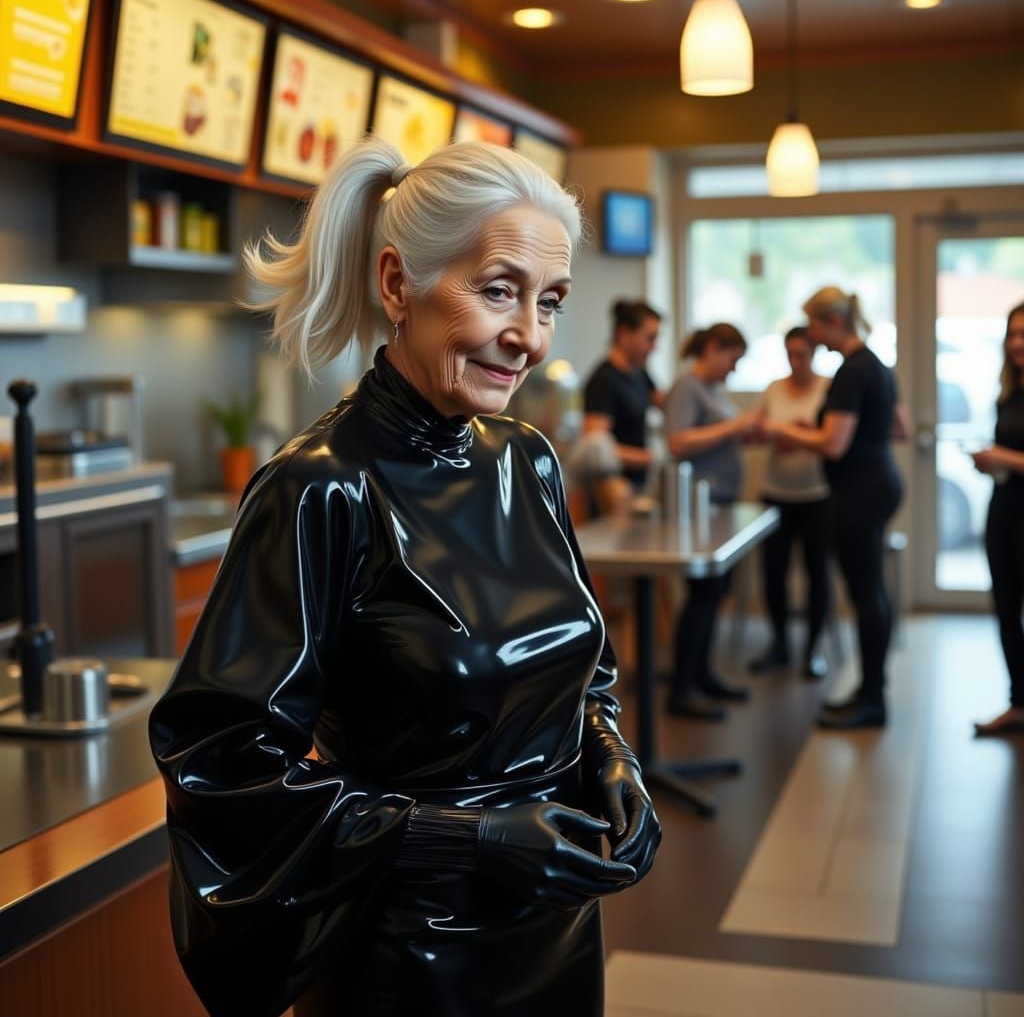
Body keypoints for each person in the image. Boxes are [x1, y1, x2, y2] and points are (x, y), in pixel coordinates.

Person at [148, 137, 660, 1017]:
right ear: (398, 285)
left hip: (561, 927)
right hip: (413, 956)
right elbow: (225, 765)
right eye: (499, 289)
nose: (529, 336)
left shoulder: (528, 460)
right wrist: (475, 838)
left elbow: (585, 674)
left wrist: (613, 758)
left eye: (550, 301)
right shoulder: (321, 486)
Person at [765, 287, 909, 730]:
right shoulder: (876, 364)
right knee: (870, 593)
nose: (809, 333)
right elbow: (888, 427)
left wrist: (781, 429)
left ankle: (871, 700)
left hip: (859, 490)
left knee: (866, 595)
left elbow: (834, 442)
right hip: (878, 480)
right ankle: (870, 692)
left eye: (811, 324)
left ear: (831, 322)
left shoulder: (850, 370)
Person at [663, 322, 761, 720]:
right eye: (732, 360)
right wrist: (737, 426)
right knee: (702, 595)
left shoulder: (714, 390)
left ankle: (702, 675)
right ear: (714, 349)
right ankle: (682, 687)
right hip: (702, 504)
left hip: (721, 501)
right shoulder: (686, 388)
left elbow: (716, 434)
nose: (733, 370)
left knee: (714, 593)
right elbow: (678, 441)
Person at [749, 326, 832, 680]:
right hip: (777, 493)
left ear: (815, 354)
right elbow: (756, 430)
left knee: (817, 574)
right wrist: (778, 434)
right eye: (791, 354)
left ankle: (813, 647)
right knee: (774, 573)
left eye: (803, 354)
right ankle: (780, 643)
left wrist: (800, 433)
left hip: (817, 495)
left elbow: (833, 437)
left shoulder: (829, 389)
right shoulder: (774, 389)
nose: (796, 362)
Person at [970, 301, 1024, 736]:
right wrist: (991, 462)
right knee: (1006, 609)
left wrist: (1007, 457)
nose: (1017, 343)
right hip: (1004, 509)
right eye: (1012, 334)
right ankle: (1018, 701)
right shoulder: (1010, 390)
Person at [579, 300, 664, 493]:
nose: (654, 347)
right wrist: (651, 458)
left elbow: (666, 403)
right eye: (650, 339)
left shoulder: (640, 374)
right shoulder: (603, 381)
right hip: (616, 490)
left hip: (640, 484)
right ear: (624, 333)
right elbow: (596, 449)